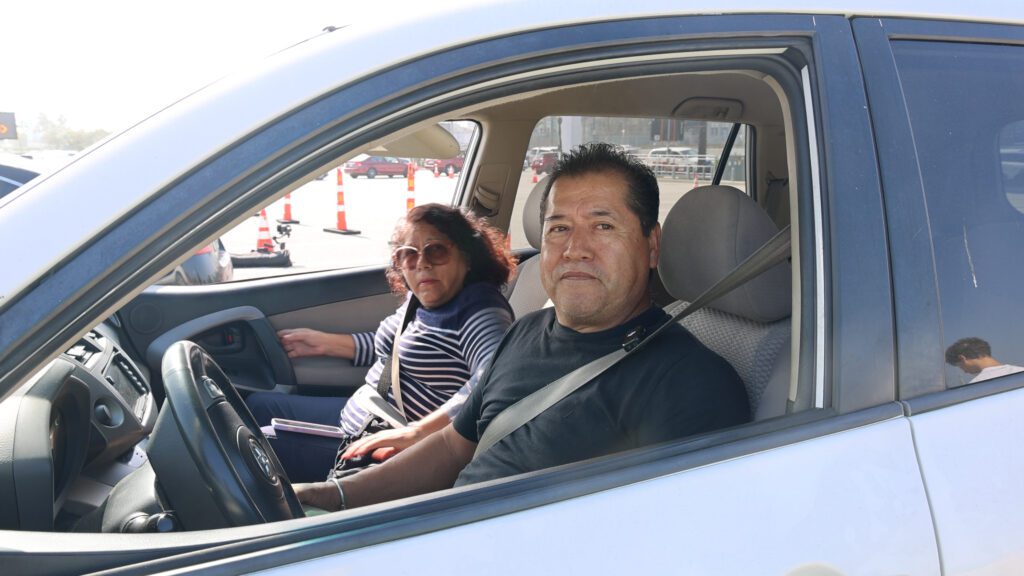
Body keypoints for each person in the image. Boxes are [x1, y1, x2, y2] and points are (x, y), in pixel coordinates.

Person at [294, 142, 748, 511]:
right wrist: (332, 497)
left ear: (651, 246)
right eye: (558, 229)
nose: (575, 249)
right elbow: (454, 448)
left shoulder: (692, 385)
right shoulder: (528, 330)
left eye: (603, 226)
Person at [247, 203, 516, 482]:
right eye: (408, 256)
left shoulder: (478, 311)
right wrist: (326, 344)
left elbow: (495, 378)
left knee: (252, 449)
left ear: (467, 257)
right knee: (256, 404)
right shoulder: (424, 300)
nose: (422, 263)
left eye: (436, 250)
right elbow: (392, 349)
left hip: (383, 443)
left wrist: (418, 432)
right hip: (363, 413)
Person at [944, 337, 1024, 385]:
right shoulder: (1020, 371)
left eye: (960, 366)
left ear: (962, 358)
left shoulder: (975, 387)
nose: (965, 372)